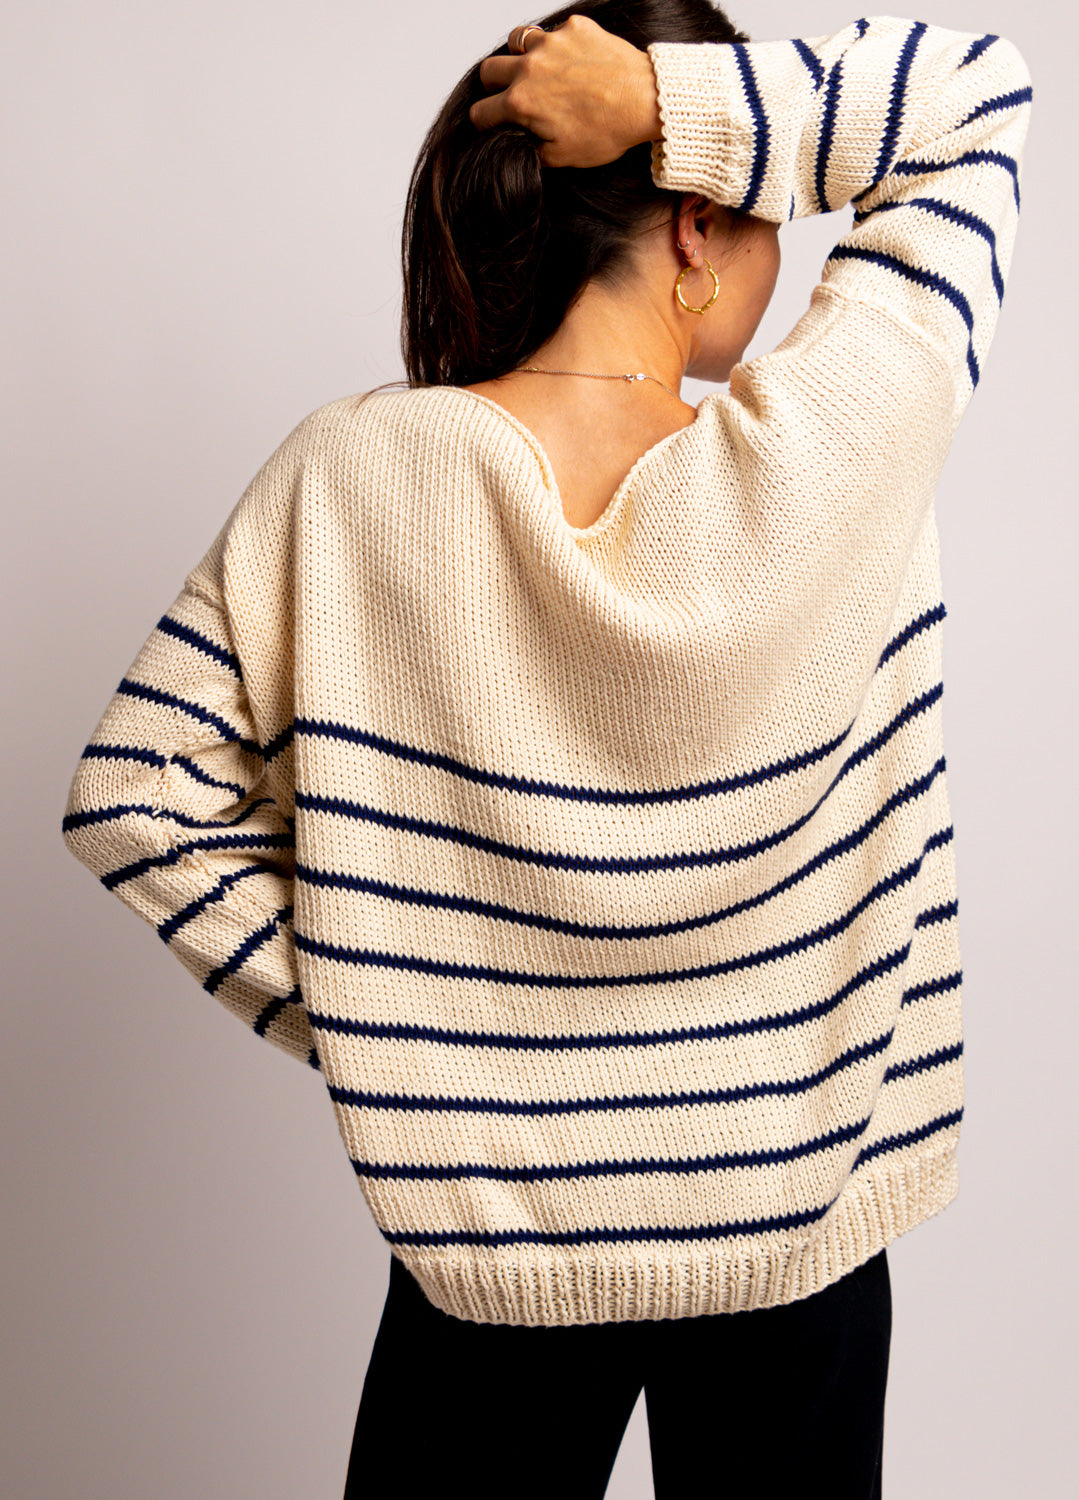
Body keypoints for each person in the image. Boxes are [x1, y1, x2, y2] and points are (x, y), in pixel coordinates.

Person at [59, 3, 1033, 1496]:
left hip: (492, 1255)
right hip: (796, 1230)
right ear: (698, 222)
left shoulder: (356, 477)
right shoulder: (835, 450)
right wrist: (666, 100)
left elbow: (138, 794)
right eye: (758, 215)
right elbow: (977, 97)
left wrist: (409, 1016)